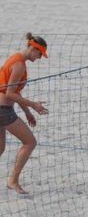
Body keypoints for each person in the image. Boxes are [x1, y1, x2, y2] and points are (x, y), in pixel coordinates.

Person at [0, 32, 49, 194]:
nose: (40, 57)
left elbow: (13, 91)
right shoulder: (19, 65)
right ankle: (13, 181)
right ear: (33, 48)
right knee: (30, 142)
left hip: (3, 108)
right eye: (40, 54)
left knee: (0, 148)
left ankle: (12, 181)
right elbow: (10, 94)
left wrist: (27, 112)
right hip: (3, 110)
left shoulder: (14, 58)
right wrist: (34, 105)